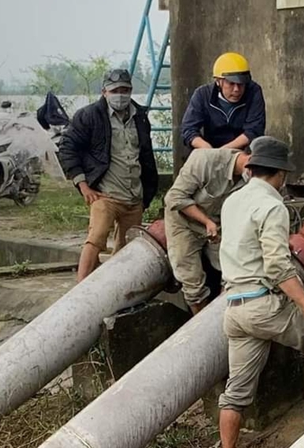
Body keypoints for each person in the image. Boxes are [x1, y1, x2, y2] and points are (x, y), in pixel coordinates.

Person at [217, 136, 304, 448]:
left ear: (252, 169)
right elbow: (276, 265)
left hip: (234, 307)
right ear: (280, 174)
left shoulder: (232, 201)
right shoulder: (273, 207)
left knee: (236, 392)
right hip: (263, 304)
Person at [59, 69, 159, 281]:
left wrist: (147, 194)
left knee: (127, 249)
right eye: (115, 90)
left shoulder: (140, 117)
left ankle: (114, 287)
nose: (120, 95)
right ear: (104, 92)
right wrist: (83, 185)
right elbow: (68, 147)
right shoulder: (89, 116)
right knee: (95, 239)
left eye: (125, 90)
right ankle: (81, 287)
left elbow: (146, 155)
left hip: (134, 195)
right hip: (105, 194)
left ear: (131, 90)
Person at [164, 148, 251, 315]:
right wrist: (206, 222)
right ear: (249, 159)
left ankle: (222, 318)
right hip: (183, 222)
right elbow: (174, 198)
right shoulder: (204, 160)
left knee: (233, 273)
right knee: (191, 280)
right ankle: (199, 323)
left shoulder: (250, 182)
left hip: (218, 226)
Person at [180, 52, 266, 151]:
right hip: (209, 150)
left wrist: (222, 152)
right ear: (218, 81)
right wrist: (207, 149)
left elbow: (254, 130)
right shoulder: (202, 95)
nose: (236, 89)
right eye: (231, 83)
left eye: (241, 84)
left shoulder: (254, 92)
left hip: (242, 151)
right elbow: (188, 129)